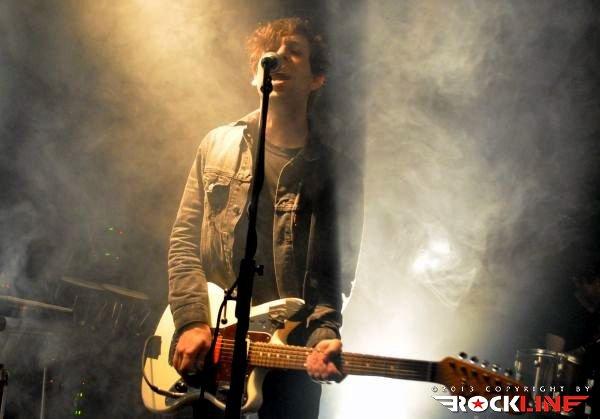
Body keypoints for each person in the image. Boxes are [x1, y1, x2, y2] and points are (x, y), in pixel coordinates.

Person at [167, 17, 363, 418]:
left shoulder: (333, 170)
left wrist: (324, 335)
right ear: (254, 72)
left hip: (289, 356)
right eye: (269, 52)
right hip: (214, 349)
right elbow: (184, 242)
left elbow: (332, 275)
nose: (278, 57)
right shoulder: (216, 144)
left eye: (295, 52)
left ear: (317, 79)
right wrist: (190, 321)